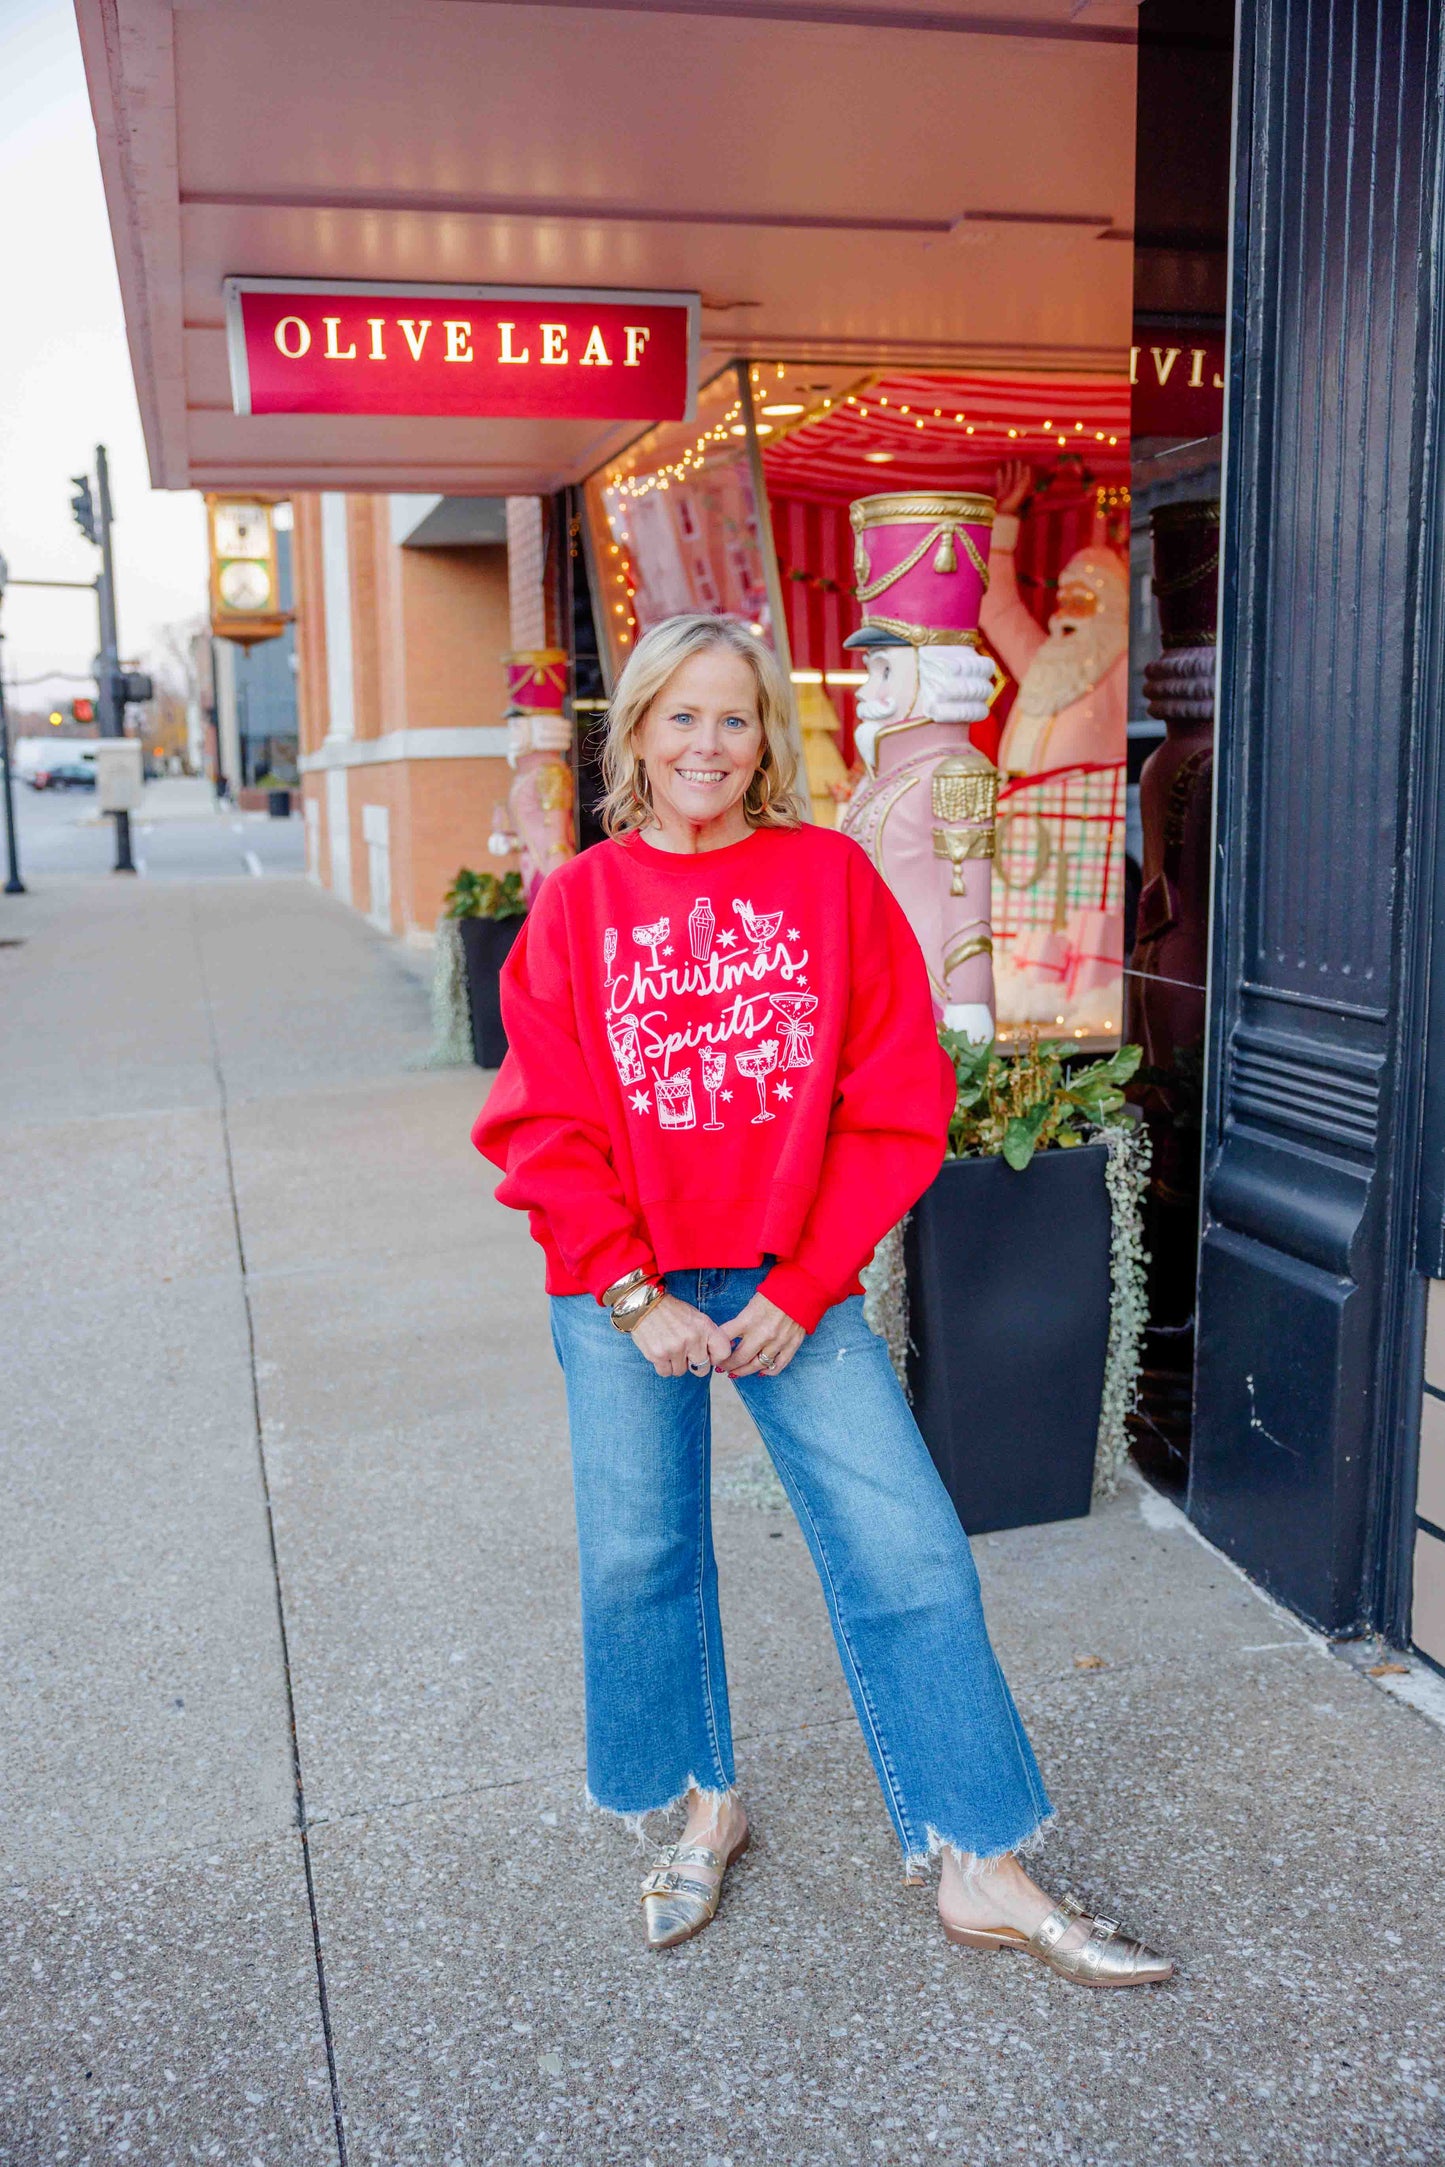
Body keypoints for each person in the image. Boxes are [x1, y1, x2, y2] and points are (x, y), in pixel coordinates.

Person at [474, 613, 1172, 1988]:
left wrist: (803, 1285)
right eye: (680, 715)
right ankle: (697, 1804)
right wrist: (629, 1292)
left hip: (788, 1279)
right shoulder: (579, 901)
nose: (707, 745)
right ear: (639, 733)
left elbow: (896, 1102)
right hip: (622, 1282)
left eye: (735, 719)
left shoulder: (828, 879)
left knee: (908, 1550)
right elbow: (539, 1121)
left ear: (766, 741)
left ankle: (979, 1858)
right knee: (637, 1558)